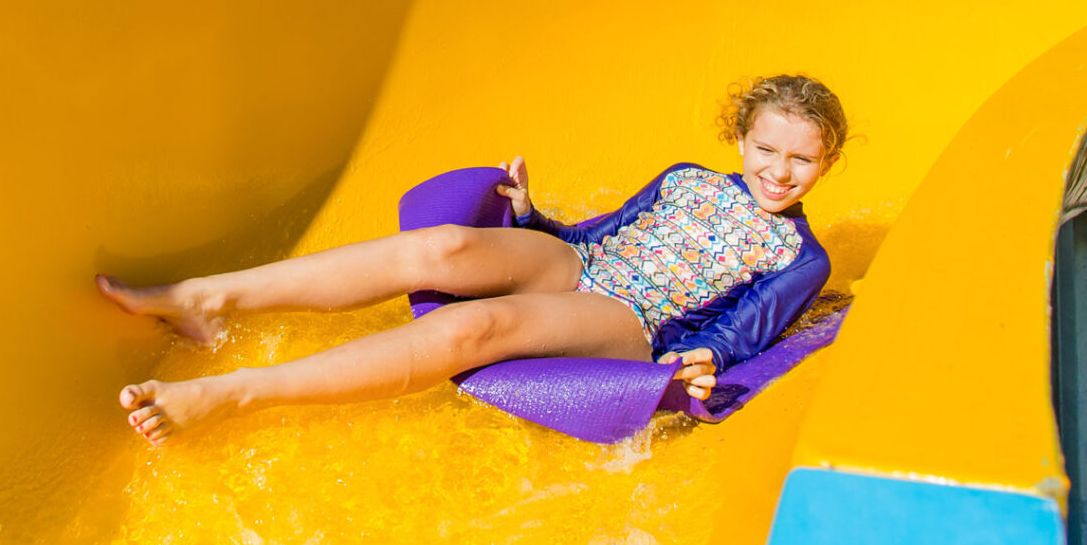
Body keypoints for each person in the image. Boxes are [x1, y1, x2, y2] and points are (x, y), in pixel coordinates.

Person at [98, 75, 847, 443]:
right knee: (440, 247)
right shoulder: (686, 177)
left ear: (828, 161)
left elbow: (744, 333)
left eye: (802, 160)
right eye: (766, 149)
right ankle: (204, 297)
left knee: (477, 329)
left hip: (630, 319)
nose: (779, 171)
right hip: (582, 266)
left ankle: (236, 393)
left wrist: (697, 362)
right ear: (740, 138)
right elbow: (597, 234)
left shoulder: (800, 254)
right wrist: (530, 214)